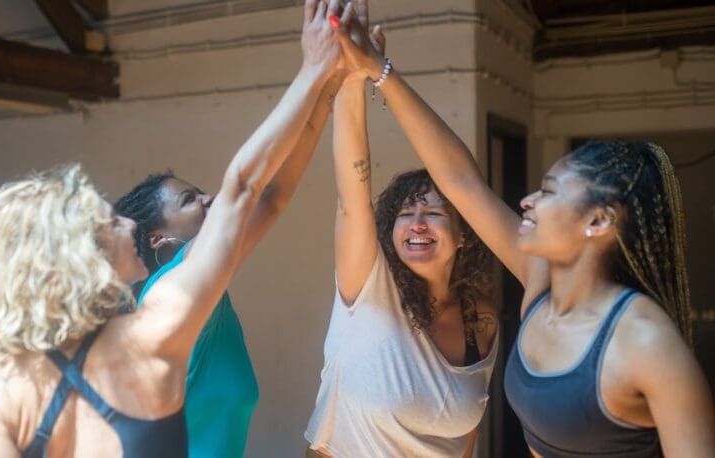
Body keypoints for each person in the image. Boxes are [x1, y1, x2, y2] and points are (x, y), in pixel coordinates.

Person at [0, 1, 347, 455]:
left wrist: (321, 81)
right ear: (82, 258)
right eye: (110, 221)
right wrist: (314, 71)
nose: (126, 223)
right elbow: (243, 190)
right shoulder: (156, 330)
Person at [330, 3, 715, 455]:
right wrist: (377, 70)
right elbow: (461, 180)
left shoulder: (646, 343)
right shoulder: (541, 289)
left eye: (548, 191)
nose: (528, 200)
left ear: (598, 220)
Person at [112, 8, 350, 458]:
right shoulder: (173, 291)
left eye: (200, 192)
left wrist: (328, 90)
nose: (207, 200)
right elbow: (243, 188)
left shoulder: (204, 287)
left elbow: (274, 195)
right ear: (160, 239)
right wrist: (313, 69)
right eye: (188, 201)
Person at [305, 3, 498, 456]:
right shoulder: (368, 286)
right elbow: (352, 197)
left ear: (464, 233)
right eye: (404, 214)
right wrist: (354, 78)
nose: (415, 224)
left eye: (432, 213)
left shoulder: (480, 318)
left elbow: (464, 438)